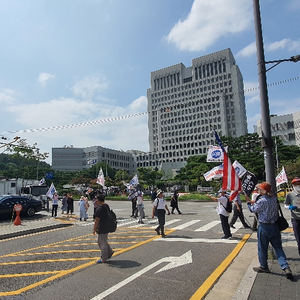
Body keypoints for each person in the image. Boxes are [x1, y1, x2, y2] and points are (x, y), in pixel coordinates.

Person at [246, 182, 294, 280]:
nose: (258, 191)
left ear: (263, 190)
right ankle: (285, 267)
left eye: (259, 189)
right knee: (278, 248)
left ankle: (264, 266)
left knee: (262, 248)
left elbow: (253, 209)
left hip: (264, 227)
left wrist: (248, 203)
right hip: (275, 226)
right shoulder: (274, 199)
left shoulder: (262, 200)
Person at [92, 194, 114, 263]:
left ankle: (104, 258)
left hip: (102, 226)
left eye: (96, 199)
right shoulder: (106, 206)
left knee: (102, 242)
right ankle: (109, 252)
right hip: (107, 225)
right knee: (101, 240)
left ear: (98, 200)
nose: (95, 200)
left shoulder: (99, 208)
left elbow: (97, 220)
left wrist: (94, 229)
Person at [284, 177, 300, 256]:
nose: (298, 186)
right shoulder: (290, 195)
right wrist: (290, 207)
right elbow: (285, 205)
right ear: (293, 185)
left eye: (299, 184)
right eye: (296, 184)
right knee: (298, 238)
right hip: (295, 219)